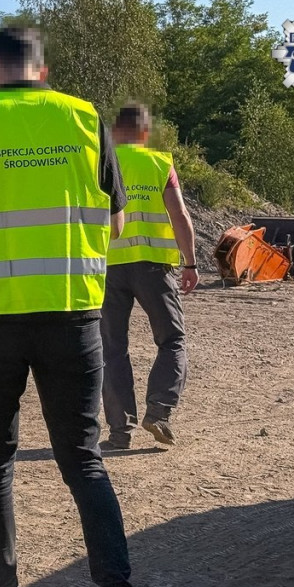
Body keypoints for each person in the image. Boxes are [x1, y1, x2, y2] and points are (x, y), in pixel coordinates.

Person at [0, 26, 144, 587]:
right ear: (42, 70)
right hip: (72, 314)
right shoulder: (85, 119)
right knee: (83, 460)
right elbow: (114, 220)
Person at [100, 103, 198, 450]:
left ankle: (118, 431)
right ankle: (158, 411)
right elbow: (180, 215)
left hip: (108, 267)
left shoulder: (99, 162)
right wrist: (191, 262)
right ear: (144, 132)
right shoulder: (160, 163)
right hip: (154, 268)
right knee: (172, 341)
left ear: (114, 131)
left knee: (112, 350)